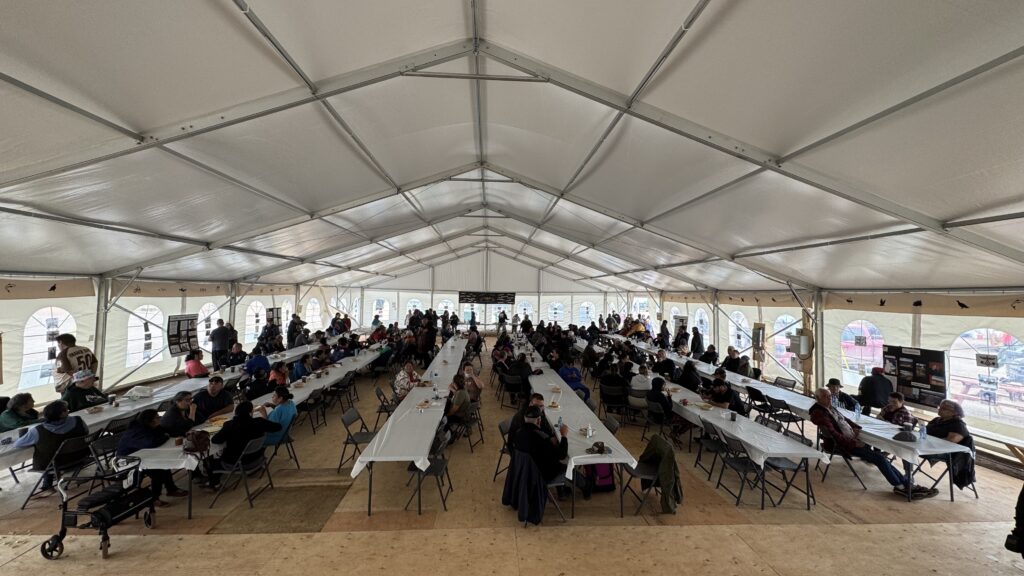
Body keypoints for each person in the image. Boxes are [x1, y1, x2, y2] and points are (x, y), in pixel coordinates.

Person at [809, 388, 925, 496]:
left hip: (850, 439)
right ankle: (899, 485)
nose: (829, 398)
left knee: (880, 457)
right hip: (842, 445)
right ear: (818, 399)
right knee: (879, 459)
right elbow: (834, 435)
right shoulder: (820, 413)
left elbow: (845, 419)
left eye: (830, 396)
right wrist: (854, 443)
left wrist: (856, 427)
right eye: (825, 397)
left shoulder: (829, 407)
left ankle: (906, 484)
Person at [117, 409, 188, 505]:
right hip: (127, 461)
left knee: (164, 464)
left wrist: (183, 433)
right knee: (158, 470)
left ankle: (171, 489)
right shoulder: (136, 431)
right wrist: (165, 436)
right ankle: (154, 498)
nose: (160, 419)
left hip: (143, 455)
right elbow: (151, 443)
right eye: (157, 417)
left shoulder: (149, 426)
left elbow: (165, 431)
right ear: (150, 420)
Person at [14, 401, 89, 490]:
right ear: (61, 415)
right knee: (52, 453)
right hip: (81, 457)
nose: (68, 411)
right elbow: (86, 432)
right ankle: (47, 484)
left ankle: (47, 485)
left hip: (54, 464)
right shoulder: (78, 420)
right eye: (65, 410)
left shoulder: (38, 431)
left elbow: (18, 444)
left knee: (47, 452)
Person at [207, 402, 281, 489]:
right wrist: (264, 417)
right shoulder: (259, 422)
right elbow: (278, 427)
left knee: (210, 458)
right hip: (258, 459)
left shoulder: (229, 425)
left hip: (238, 463)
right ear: (251, 412)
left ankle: (215, 484)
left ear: (236, 413)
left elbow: (215, 440)